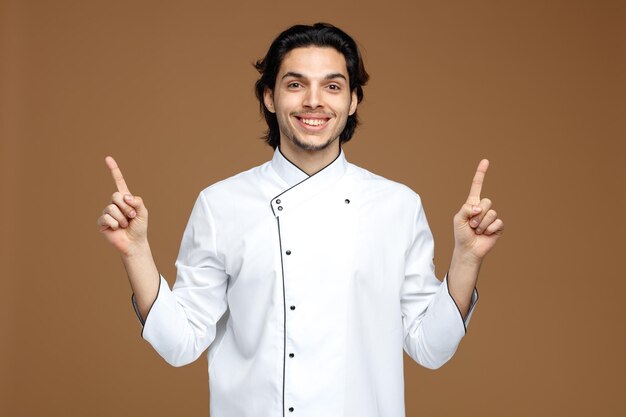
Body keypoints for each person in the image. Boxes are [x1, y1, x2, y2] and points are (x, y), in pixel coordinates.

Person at [97, 23, 503, 417]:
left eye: (332, 86)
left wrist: (467, 258)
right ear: (270, 97)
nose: (314, 101)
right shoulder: (220, 204)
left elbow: (430, 348)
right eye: (295, 85)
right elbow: (180, 343)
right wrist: (136, 252)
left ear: (353, 100)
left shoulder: (396, 206)